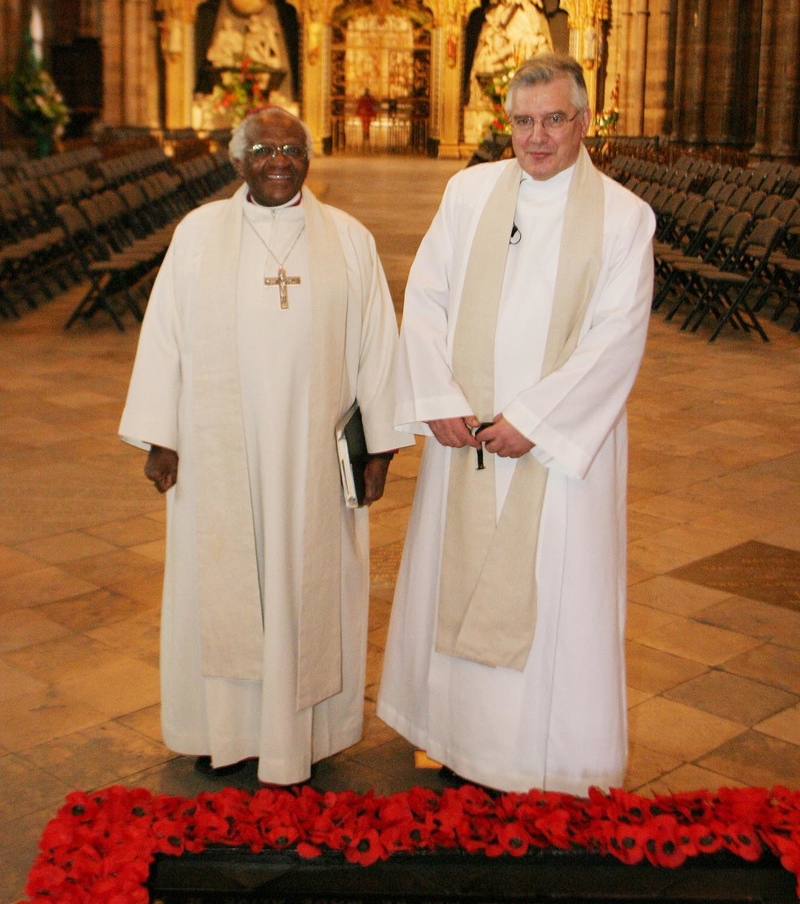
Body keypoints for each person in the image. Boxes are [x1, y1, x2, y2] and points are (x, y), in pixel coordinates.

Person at [377, 54, 655, 795]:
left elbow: (616, 336)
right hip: (465, 436)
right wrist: (437, 393)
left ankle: (552, 757)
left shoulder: (625, 217)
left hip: (558, 457)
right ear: (508, 122)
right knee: (459, 577)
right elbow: (428, 295)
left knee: (555, 593)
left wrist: (533, 420)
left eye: (554, 120)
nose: (537, 138)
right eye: (524, 121)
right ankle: (459, 740)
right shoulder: (469, 194)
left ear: (584, 122)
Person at [119, 107, 411, 785]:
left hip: (315, 457)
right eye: (264, 149)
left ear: (310, 159)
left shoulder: (349, 239)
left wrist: (381, 450)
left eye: (292, 148)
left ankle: (303, 734)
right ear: (238, 161)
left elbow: (378, 348)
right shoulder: (198, 236)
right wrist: (160, 436)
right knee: (222, 586)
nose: (279, 160)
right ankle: (221, 730)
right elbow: (164, 336)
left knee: (308, 583)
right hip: (218, 447)